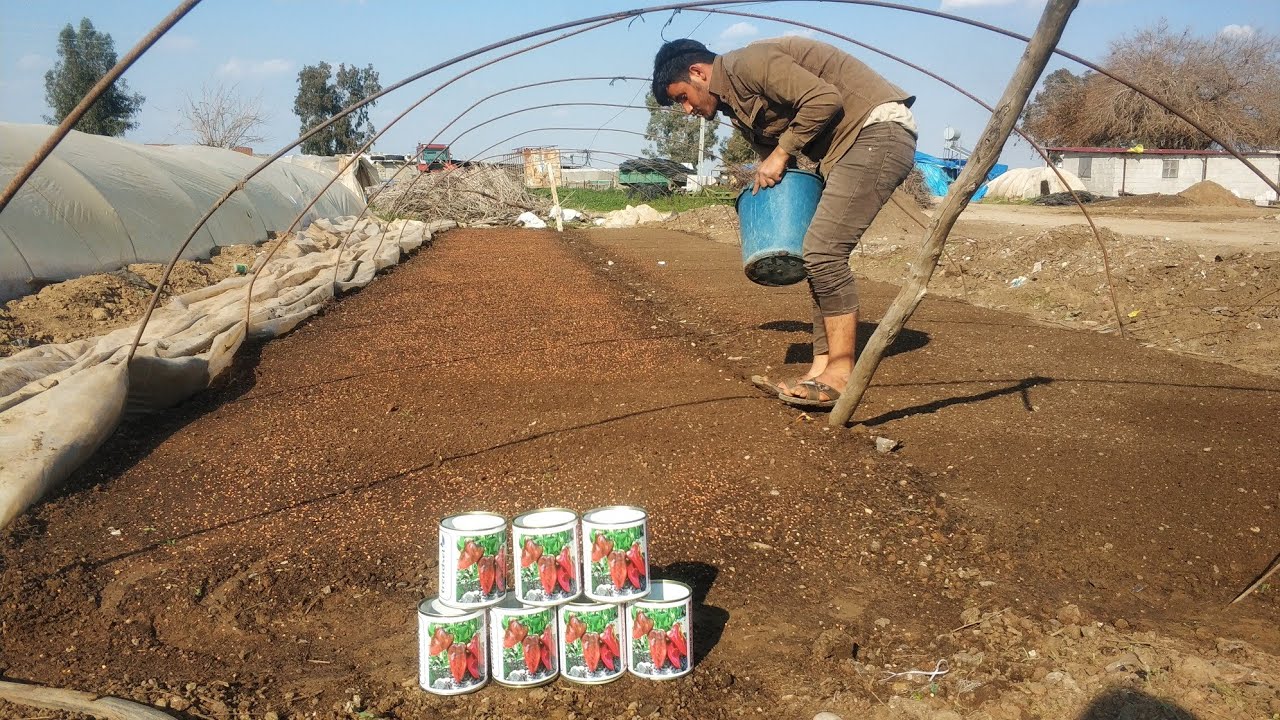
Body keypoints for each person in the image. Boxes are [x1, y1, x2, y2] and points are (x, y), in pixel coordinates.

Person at [651, 37, 918, 409]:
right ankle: (822, 366)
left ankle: (841, 374)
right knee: (813, 255)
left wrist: (779, 154)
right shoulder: (735, 109)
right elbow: (779, 161)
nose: (686, 109)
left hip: (875, 132)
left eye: (682, 97)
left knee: (824, 250)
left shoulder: (748, 64)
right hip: (845, 150)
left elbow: (824, 100)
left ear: (698, 72)